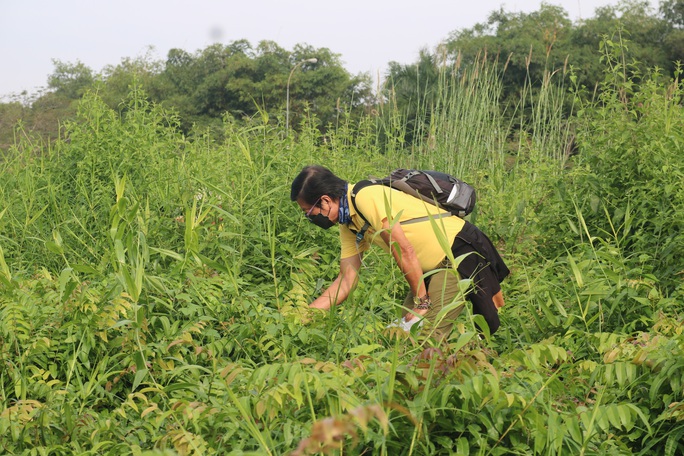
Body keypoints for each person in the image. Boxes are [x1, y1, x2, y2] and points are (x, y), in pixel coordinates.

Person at [290, 165, 509, 339]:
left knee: (425, 335)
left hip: (456, 253)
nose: (310, 218)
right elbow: (347, 279)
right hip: (429, 269)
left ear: (325, 200)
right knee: (400, 337)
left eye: (309, 212)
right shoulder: (349, 224)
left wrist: (422, 304)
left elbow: (404, 251)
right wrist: (303, 316)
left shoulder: (366, 198)